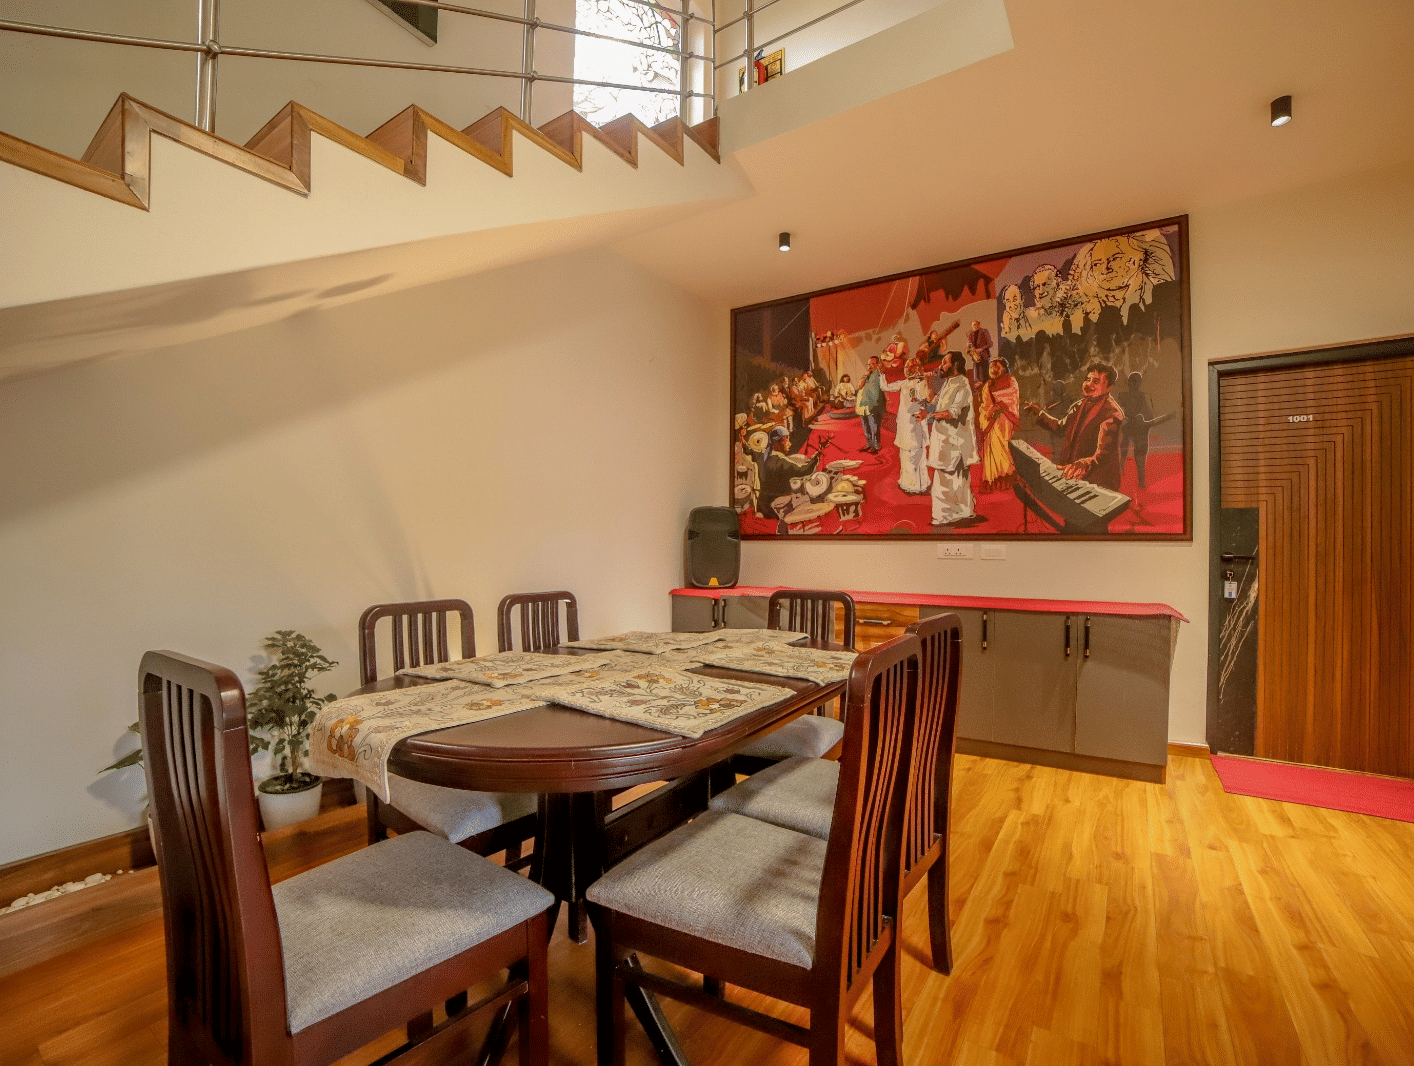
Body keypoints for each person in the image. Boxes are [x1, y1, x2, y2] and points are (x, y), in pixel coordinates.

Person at [1024, 361, 1126, 489]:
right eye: (1087, 379)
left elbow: (1103, 453)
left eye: (1096, 381)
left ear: (1109, 387)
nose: (1088, 384)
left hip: (1098, 482)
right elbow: (1061, 428)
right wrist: (1040, 413)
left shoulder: (1112, 413)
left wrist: (1084, 463)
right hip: (1072, 475)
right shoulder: (1079, 405)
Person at [920, 351, 980, 525]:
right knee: (956, 478)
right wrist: (928, 382)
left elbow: (952, 413)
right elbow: (933, 403)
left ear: (955, 365)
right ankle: (963, 511)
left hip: (954, 442)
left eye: (945, 363)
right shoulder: (948, 382)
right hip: (947, 441)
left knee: (947, 478)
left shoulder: (962, 385)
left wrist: (929, 416)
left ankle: (944, 516)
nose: (940, 366)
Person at [882, 357, 931, 493]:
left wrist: (921, 381)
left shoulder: (921, 382)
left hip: (916, 422)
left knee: (918, 454)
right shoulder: (903, 383)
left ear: (917, 368)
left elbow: (923, 397)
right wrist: (881, 374)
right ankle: (909, 484)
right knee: (906, 454)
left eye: (910, 367)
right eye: (906, 367)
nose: (907, 370)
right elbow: (886, 386)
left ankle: (918, 485)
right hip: (904, 424)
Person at [976, 356, 1021, 492]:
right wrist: (989, 413)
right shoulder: (988, 385)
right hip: (991, 421)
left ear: (1004, 368)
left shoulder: (1010, 381)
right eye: (991, 367)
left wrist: (998, 407)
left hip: (1005, 418)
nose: (993, 369)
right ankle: (992, 480)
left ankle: (1005, 477)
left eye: (997, 366)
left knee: (998, 443)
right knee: (990, 446)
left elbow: (1012, 399)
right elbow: (984, 406)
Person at [1117, 370, 1156, 487]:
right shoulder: (1123, 396)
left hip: (1140, 430)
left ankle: (1141, 482)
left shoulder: (1144, 397)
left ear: (1139, 383)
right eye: (1131, 381)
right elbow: (1118, 412)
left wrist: (1144, 421)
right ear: (1128, 382)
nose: (1134, 384)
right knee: (1122, 453)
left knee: (1140, 457)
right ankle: (1120, 477)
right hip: (1127, 427)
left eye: (1136, 381)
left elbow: (1151, 415)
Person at [855, 356, 886, 453]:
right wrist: (865, 375)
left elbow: (883, 388)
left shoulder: (879, 374)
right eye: (869, 364)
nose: (870, 366)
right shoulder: (866, 374)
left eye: (872, 364)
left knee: (874, 426)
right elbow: (859, 385)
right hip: (863, 405)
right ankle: (869, 444)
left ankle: (876, 446)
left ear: (877, 364)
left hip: (874, 405)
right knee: (866, 426)